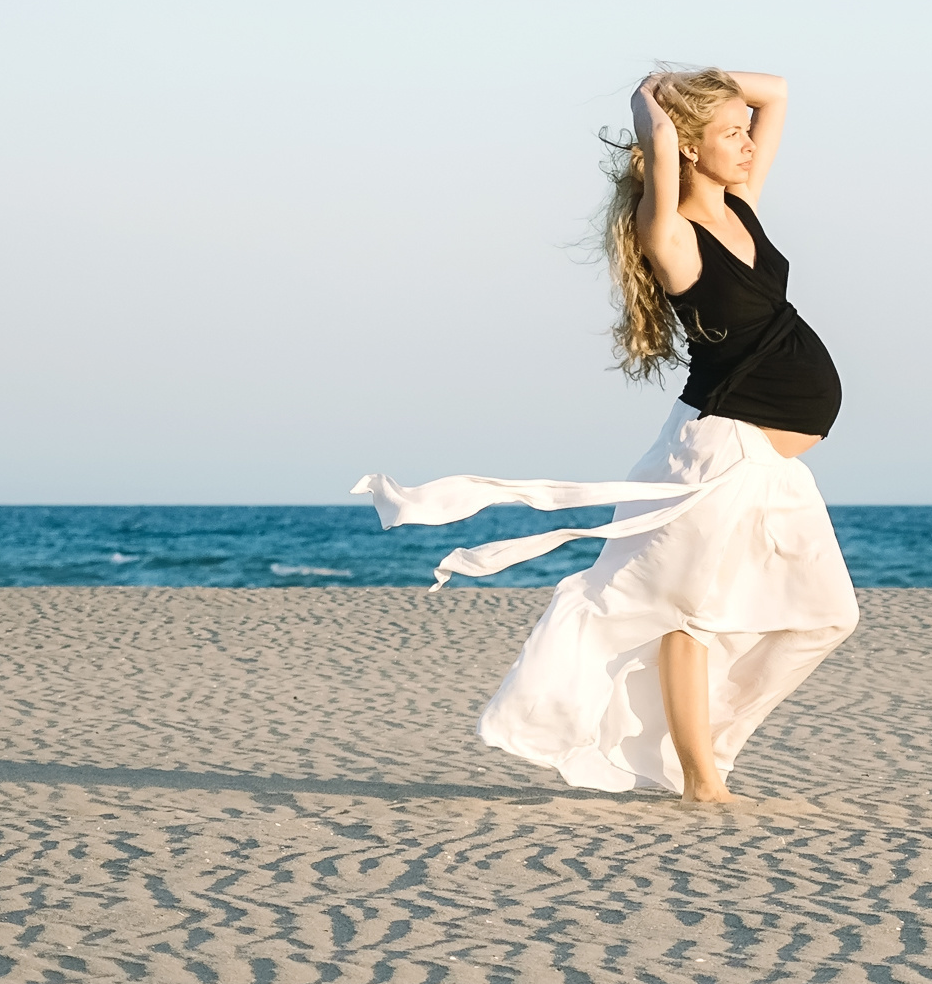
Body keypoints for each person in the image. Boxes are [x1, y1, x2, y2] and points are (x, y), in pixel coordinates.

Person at [353, 68, 857, 801]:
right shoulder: (672, 234)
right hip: (718, 451)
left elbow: (774, 90)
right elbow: (658, 134)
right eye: (729, 135)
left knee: (827, 614)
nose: (748, 145)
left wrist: (698, 85)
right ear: (684, 148)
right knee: (689, 615)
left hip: (770, 468)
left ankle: (694, 751)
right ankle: (701, 781)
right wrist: (649, 101)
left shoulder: (742, 209)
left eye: (746, 134)